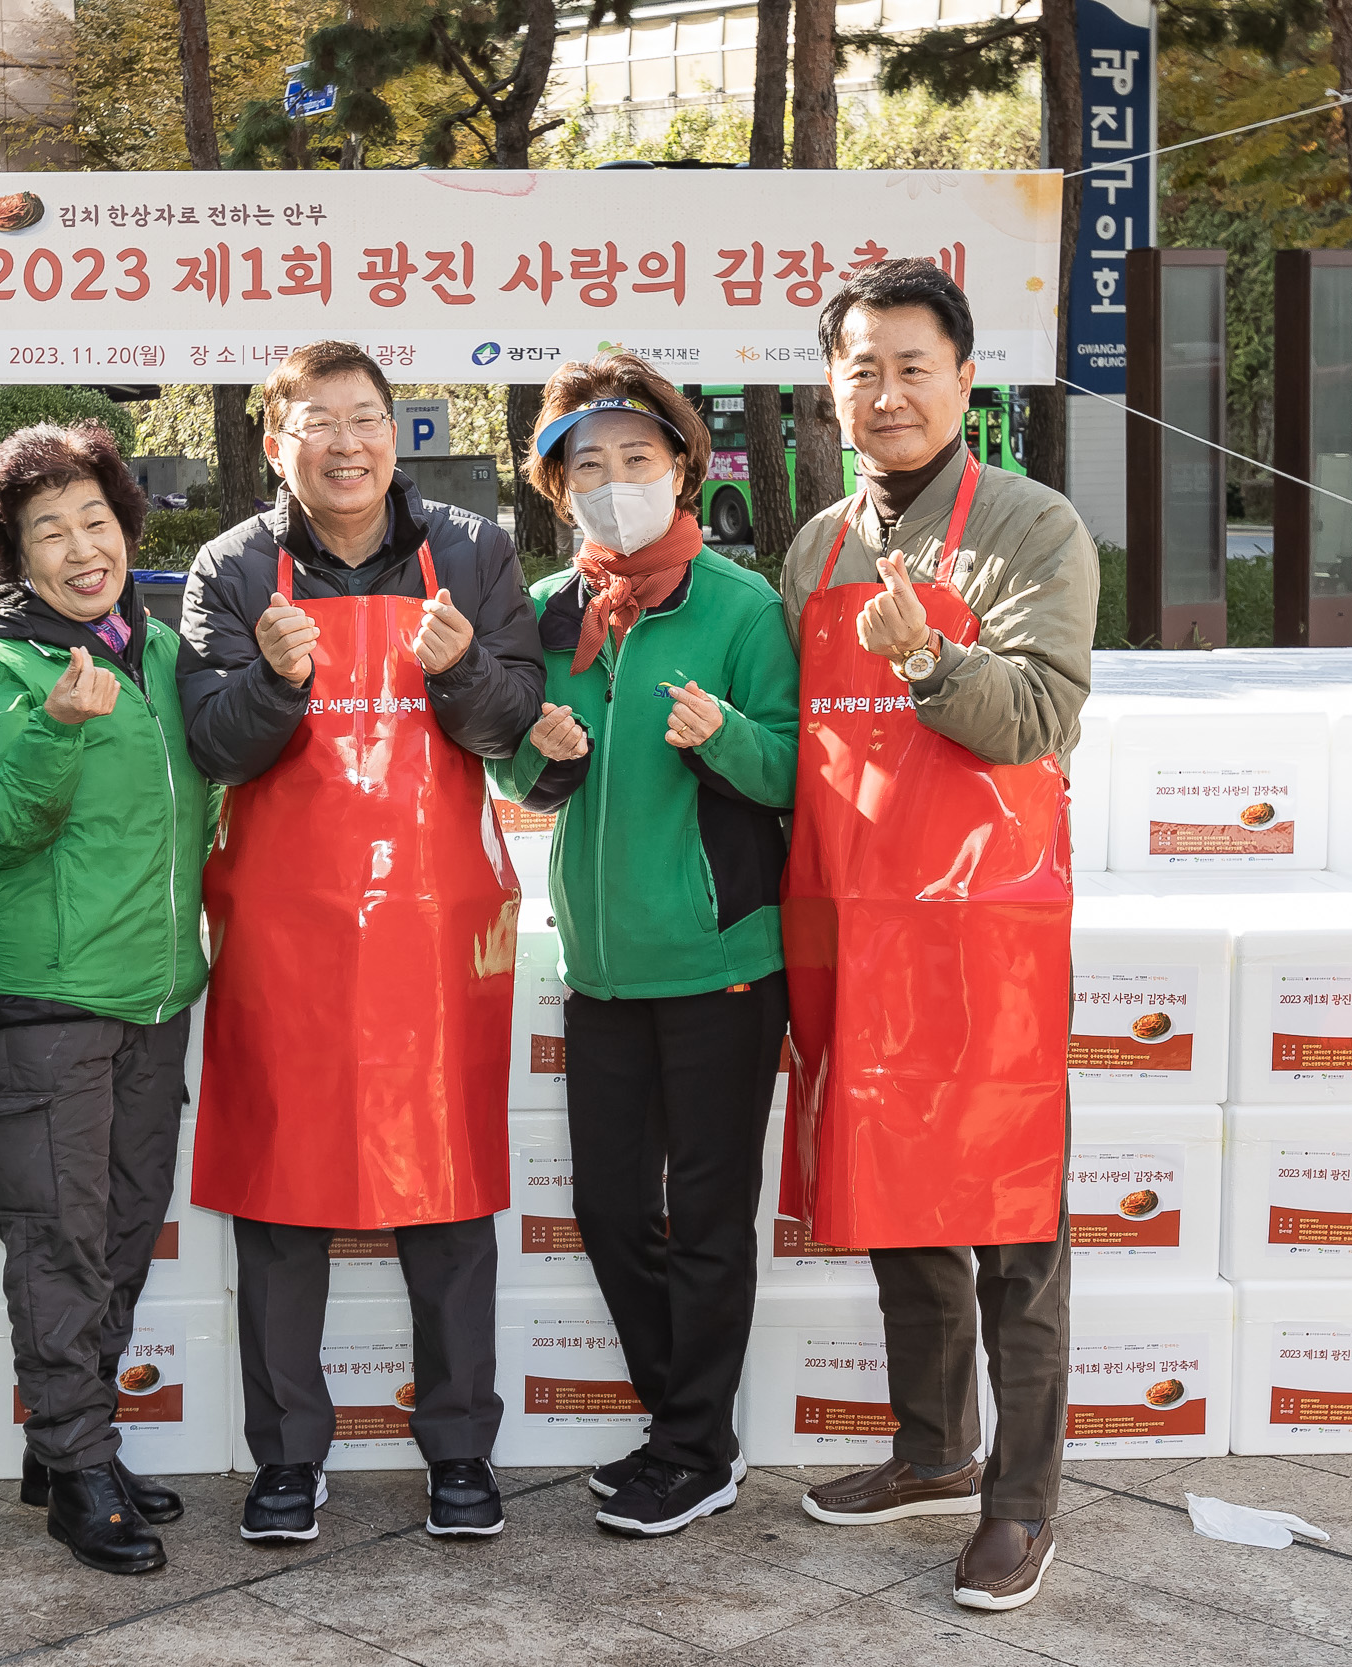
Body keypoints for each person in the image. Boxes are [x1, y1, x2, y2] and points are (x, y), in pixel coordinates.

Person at [178, 340, 544, 1543]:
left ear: (400, 430)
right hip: (283, 929)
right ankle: (285, 1456)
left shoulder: (476, 549)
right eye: (317, 422)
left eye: (368, 417)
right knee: (283, 1201)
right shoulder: (232, 566)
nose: (347, 442)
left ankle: (460, 1451)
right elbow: (214, 744)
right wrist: (277, 683)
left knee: (443, 1193)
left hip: (435, 929)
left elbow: (513, 725)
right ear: (275, 441)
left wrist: (460, 669)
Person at [776, 261, 1096, 1612]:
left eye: (913, 365)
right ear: (833, 390)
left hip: (987, 929)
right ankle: (931, 1449)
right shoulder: (816, 544)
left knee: (1014, 1228)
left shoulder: (1032, 525)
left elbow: (1037, 716)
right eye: (862, 368)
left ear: (966, 379)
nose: (887, 392)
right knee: (904, 1203)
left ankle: (1021, 1504)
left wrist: (923, 661)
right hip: (861, 917)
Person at [493, 356, 799, 1538]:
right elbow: (521, 771)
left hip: (722, 959)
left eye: (635, 458)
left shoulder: (738, 604)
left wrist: (725, 736)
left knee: (711, 1217)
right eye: (587, 465)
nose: (613, 482)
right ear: (557, 486)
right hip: (604, 967)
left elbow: (790, 769)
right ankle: (689, 1426)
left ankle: (690, 1446)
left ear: (682, 464)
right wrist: (545, 755)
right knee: (614, 1210)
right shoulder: (549, 608)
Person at [0, 422, 213, 1576]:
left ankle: (71, 1444)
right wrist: (56, 728)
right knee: (57, 1240)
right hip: (51, 995)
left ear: (125, 526)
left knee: (116, 1231)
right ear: (12, 554)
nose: (79, 545)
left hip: (154, 989)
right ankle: (77, 1466)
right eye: (47, 530)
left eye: (94, 519)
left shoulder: (152, 649)